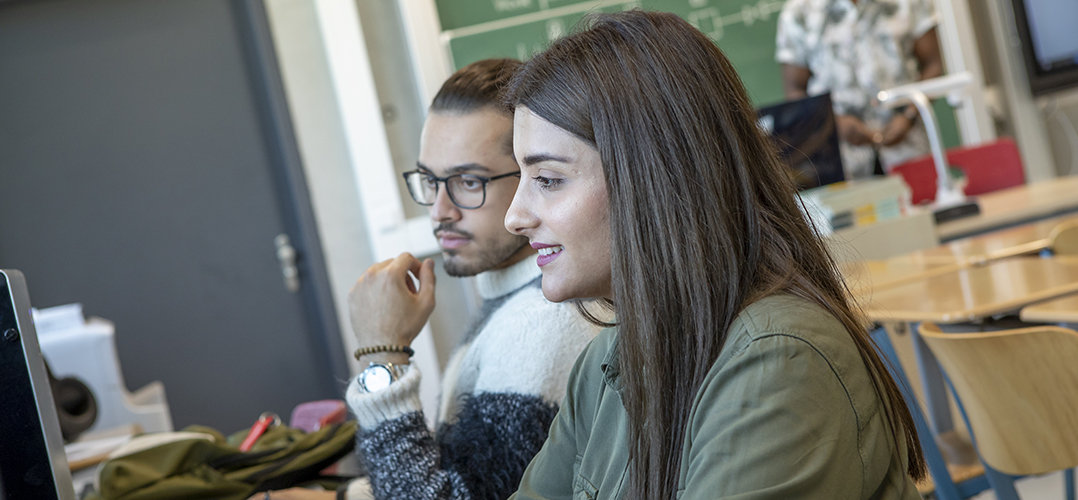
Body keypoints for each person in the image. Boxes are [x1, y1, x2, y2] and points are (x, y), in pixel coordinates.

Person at [502, 11, 925, 499]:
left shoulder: (777, 358)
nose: (516, 216)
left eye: (548, 180)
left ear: (654, 178)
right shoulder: (606, 363)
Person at [256, 59, 598, 500]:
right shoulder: (514, 300)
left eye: (467, 182)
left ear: (535, 174)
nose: (439, 211)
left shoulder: (543, 322)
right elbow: (457, 475)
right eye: (430, 181)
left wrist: (383, 358)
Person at [776, 0, 944, 179]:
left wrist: (908, 116)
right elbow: (795, 90)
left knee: (920, 203)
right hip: (840, 159)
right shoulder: (798, 12)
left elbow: (933, 66)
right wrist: (834, 124)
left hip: (909, 147)